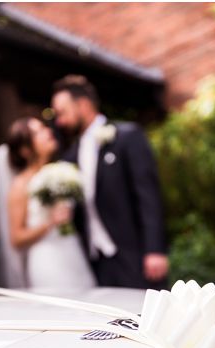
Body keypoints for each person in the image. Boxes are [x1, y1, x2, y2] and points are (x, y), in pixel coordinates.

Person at [52, 75, 169, 289]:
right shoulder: (70, 157)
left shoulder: (127, 136)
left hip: (135, 254)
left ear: (83, 105)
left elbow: (147, 194)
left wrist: (155, 249)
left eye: (62, 112)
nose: (59, 121)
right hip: (95, 261)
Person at [6, 117, 95, 288]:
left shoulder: (61, 171)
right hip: (47, 260)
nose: (48, 132)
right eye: (38, 132)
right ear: (25, 150)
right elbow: (16, 238)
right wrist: (50, 223)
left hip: (73, 252)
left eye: (44, 128)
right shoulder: (20, 185)